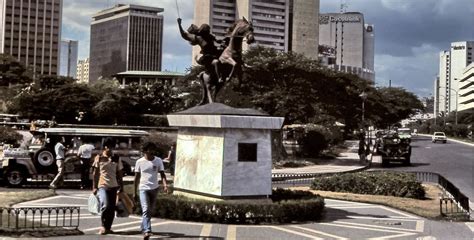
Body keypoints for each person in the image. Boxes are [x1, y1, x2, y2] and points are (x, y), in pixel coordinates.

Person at [133, 142, 168, 239]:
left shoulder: (158, 161)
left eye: (153, 149)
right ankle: (147, 230)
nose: (152, 151)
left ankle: (143, 226)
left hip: (154, 188)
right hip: (143, 189)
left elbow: (162, 174)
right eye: (149, 149)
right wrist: (134, 192)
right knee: (146, 209)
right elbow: (136, 178)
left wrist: (165, 185)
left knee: (150, 210)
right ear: (145, 151)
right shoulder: (139, 162)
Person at [92, 145, 124, 235]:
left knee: (112, 208)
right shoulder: (99, 158)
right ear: (105, 147)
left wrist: (121, 187)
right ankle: (103, 225)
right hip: (102, 185)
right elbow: (95, 174)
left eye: (112, 146)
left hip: (114, 185)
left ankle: (108, 227)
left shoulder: (116, 158)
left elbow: (120, 174)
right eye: (108, 146)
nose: (110, 149)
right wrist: (94, 187)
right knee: (105, 205)